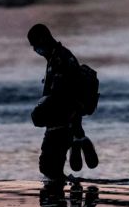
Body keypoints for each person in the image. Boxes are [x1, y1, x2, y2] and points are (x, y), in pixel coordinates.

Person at [28, 24, 94, 181]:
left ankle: (67, 189)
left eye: (35, 45)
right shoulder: (56, 57)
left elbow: (64, 96)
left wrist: (40, 113)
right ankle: (79, 141)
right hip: (59, 123)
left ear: (43, 39)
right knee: (49, 168)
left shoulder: (60, 59)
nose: (35, 49)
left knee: (50, 168)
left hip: (62, 124)